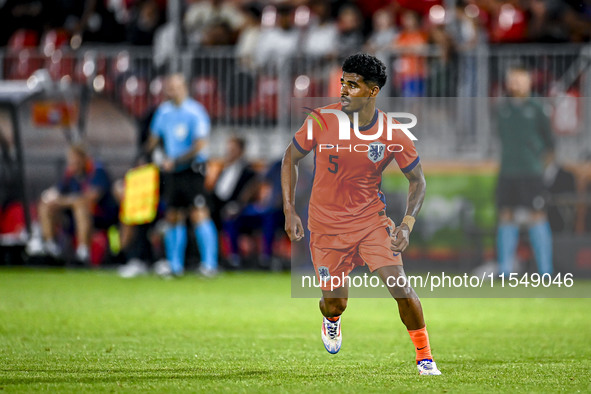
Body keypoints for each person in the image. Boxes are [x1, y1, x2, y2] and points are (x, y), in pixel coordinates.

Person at [281, 53, 441, 375]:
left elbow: (418, 181)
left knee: (400, 286)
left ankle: (425, 356)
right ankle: (332, 319)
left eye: (352, 85)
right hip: (325, 228)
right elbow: (290, 159)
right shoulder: (320, 120)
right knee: (335, 301)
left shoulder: (393, 132)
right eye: (343, 83)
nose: (343, 90)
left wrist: (407, 224)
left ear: (372, 91)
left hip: (371, 222)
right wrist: (289, 210)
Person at [143, 73, 218, 277]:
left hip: (193, 169)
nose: (171, 91)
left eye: (175, 87)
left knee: (198, 213)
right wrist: (150, 155)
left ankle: (209, 265)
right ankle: (174, 265)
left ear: (184, 87)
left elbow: (201, 144)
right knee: (173, 215)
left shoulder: (195, 111)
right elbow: (154, 138)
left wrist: (175, 160)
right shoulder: (164, 112)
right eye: (169, 87)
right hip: (172, 170)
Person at [495, 66, 555, 276]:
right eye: (513, 80)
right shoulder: (502, 109)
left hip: (532, 174)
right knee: (506, 216)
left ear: (529, 82)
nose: (516, 84)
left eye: (520, 79)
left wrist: (541, 170)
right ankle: (505, 271)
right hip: (507, 172)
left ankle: (546, 272)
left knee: (537, 216)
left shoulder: (538, 108)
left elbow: (550, 145)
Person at [32, 144, 118, 262]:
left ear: (83, 159)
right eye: (70, 161)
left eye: (75, 161)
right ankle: (50, 246)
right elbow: (56, 191)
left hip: (99, 216)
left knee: (81, 206)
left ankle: (83, 252)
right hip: (72, 217)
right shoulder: (70, 174)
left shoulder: (97, 170)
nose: (72, 165)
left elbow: (90, 198)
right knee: (46, 206)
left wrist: (64, 201)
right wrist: (51, 198)